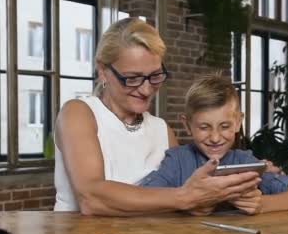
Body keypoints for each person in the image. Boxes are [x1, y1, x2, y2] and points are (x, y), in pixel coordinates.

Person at [54, 18, 261, 216]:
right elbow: (92, 198)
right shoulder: (79, 113)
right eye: (133, 78)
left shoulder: (162, 130)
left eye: (155, 76)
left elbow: (184, 191)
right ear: (102, 71)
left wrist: (247, 177)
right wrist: (185, 198)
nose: (146, 89)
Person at [139, 74, 288, 215]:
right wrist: (185, 203)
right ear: (187, 126)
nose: (215, 138)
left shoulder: (246, 162)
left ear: (238, 122)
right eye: (204, 127)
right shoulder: (176, 160)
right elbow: (144, 199)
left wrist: (261, 204)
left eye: (225, 126)